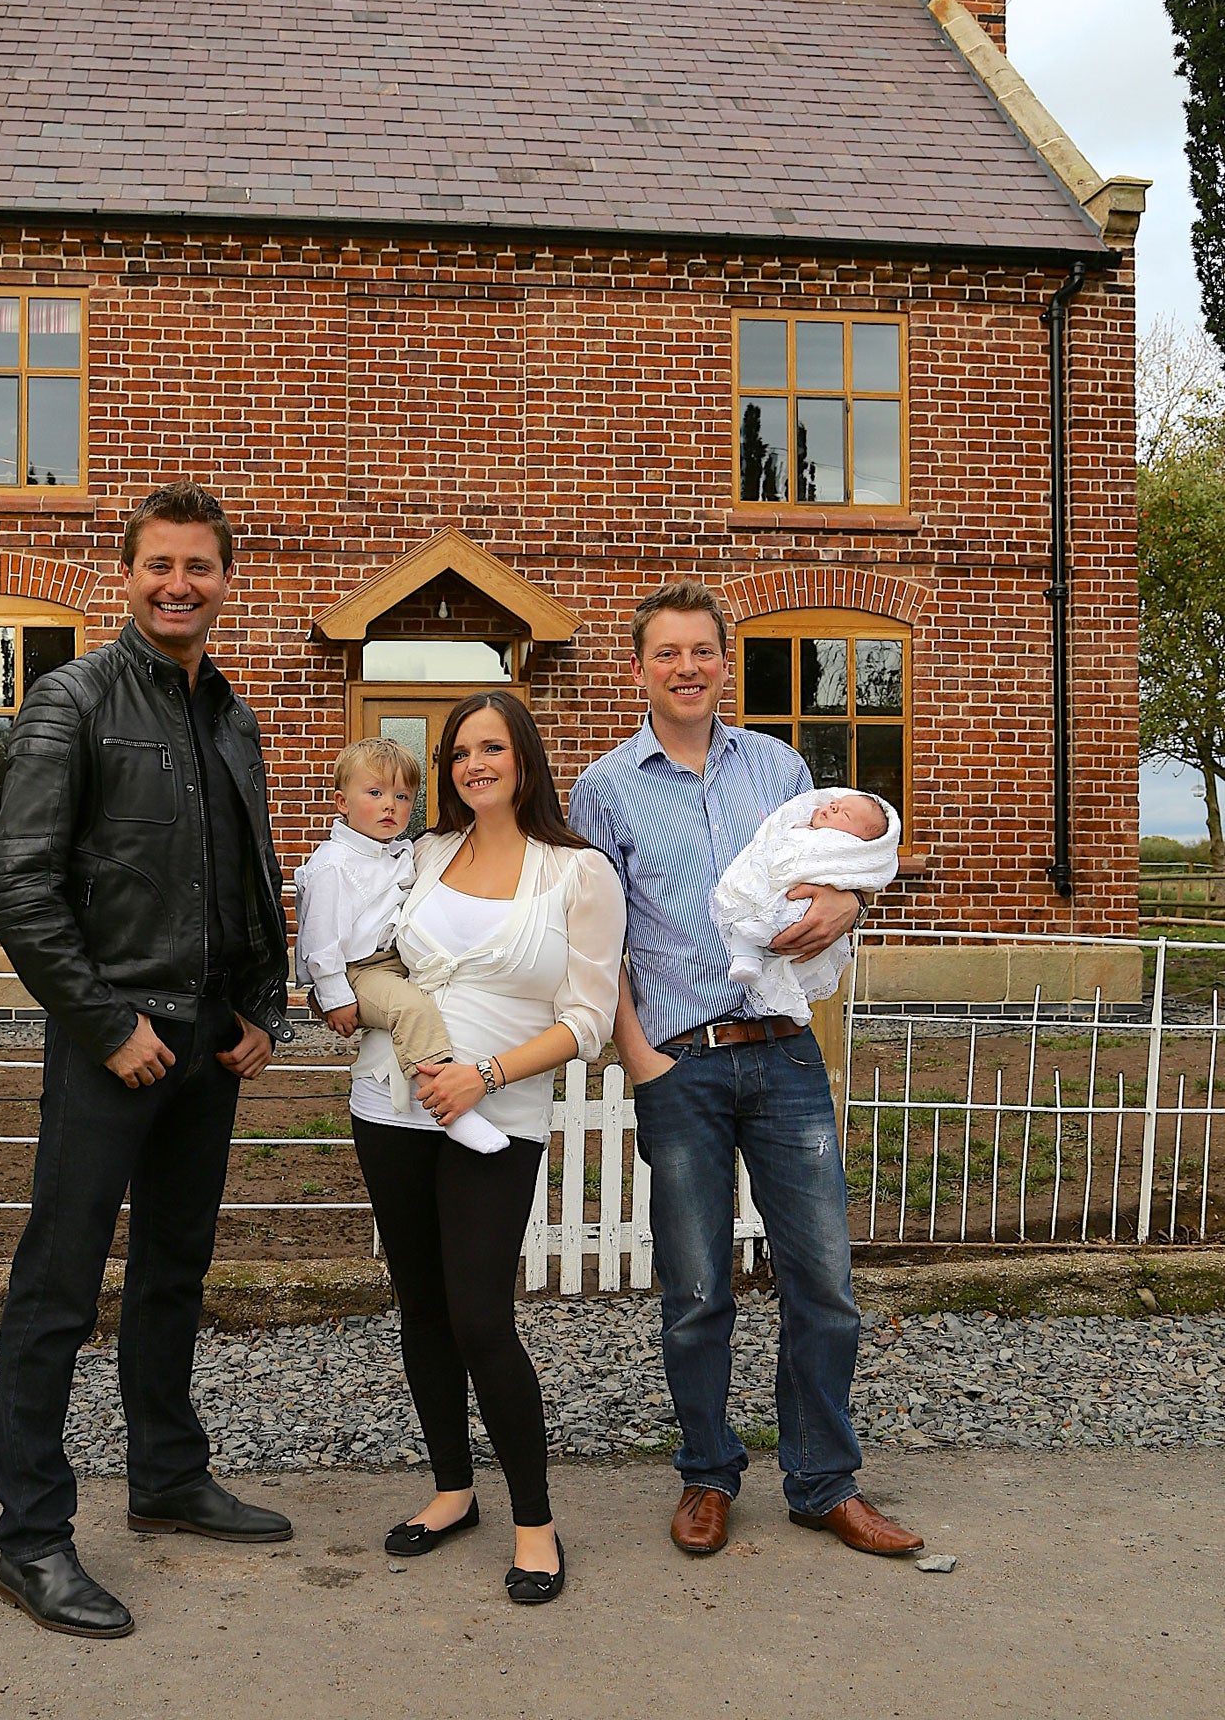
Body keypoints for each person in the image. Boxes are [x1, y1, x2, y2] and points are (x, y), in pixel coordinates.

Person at [0, 483, 296, 1640]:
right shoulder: (71, 698)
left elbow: (246, 874)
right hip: (111, 1043)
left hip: (208, 1043)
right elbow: (18, 888)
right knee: (57, 1288)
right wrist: (108, 1024)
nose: (179, 583)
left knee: (174, 1272)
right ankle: (31, 1538)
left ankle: (165, 1475)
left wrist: (260, 1003)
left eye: (199, 566)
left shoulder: (231, 714)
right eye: (158, 564)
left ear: (225, 579)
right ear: (125, 575)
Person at [567, 579, 923, 1561]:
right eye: (665, 652)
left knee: (824, 1281)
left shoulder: (778, 765)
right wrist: (635, 1054)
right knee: (693, 1287)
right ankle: (705, 1472)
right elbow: (595, 939)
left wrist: (848, 907)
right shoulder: (602, 787)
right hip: (677, 1061)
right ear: (636, 667)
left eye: (701, 650)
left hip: (785, 1055)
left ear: (726, 661)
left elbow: (834, 867)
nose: (685, 666)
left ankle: (821, 1481)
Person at [348, 690, 626, 1604]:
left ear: (525, 759)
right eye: (460, 752)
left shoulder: (576, 873)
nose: (474, 765)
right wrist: (330, 988)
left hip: (493, 1119)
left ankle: (535, 1522)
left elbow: (585, 1022)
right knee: (421, 1307)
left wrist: (487, 1075)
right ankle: (450, 1490)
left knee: (480, 1317)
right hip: (390, 1104)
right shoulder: (421, 854)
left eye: (492, 748)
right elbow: (362, 946)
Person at [294, 737, 507, 1154]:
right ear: (342, 802)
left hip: (394, 962)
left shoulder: (398, 853)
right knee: (410, 1008)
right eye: (374, 793)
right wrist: (334, 996)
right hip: (359, 970)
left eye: (402, 795)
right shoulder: (333, 864)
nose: (390, 805)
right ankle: (446, 1103)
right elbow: (320, 942)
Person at [714, 788, 900, 1019]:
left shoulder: (786, 766)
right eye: (836, 803)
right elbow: (768, 843)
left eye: (845, 814)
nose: (833, 807)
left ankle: (752, 954)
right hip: (682, 1037)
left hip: (787, 1034)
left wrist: (854, 901)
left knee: (779, 917)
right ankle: (747, 954)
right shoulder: (797, 825)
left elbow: (863, 874)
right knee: (745, 908)